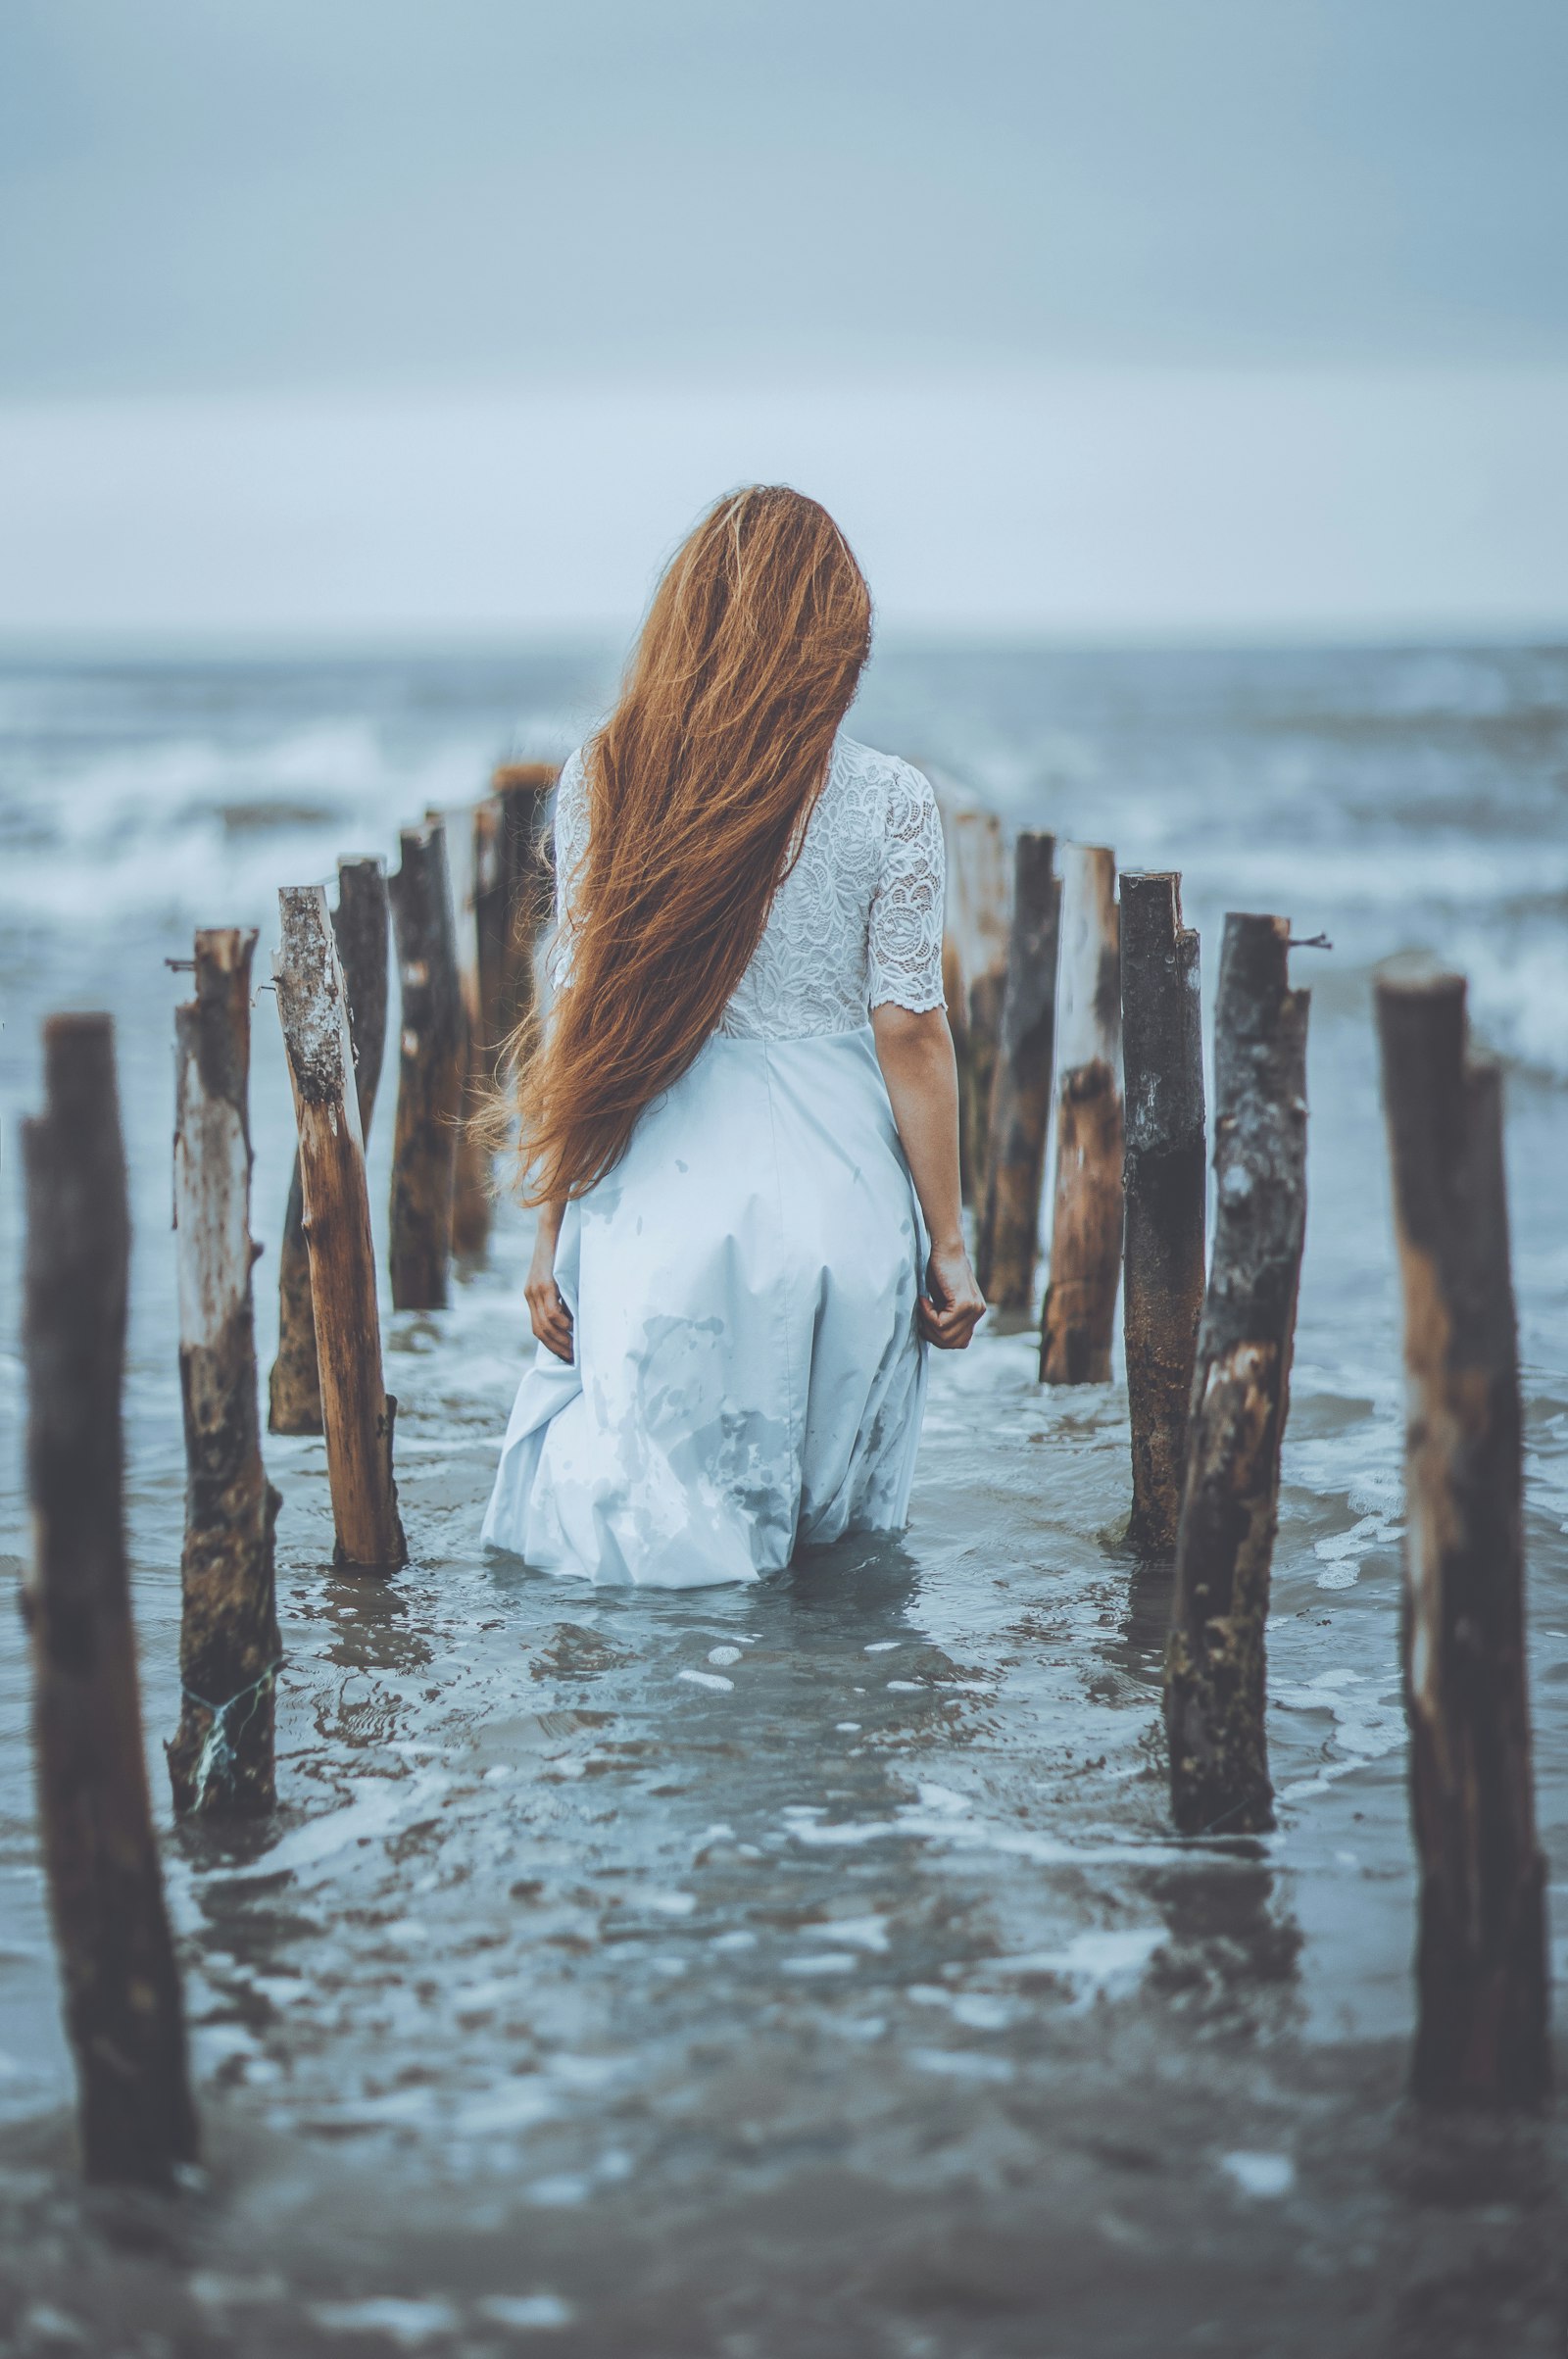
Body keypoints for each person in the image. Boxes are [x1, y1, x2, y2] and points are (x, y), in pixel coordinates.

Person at [481, 485, 985, 1587]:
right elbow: (909, 1030)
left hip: (670, 1204)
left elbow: (579, 1025)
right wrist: (948, 1241)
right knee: (836, 1577)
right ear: (834, 644)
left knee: (673, 1567)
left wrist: (543, 1243)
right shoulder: (892, 799)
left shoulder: (605, 778)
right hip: (845, 1203)